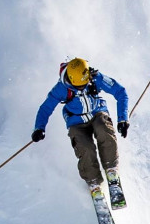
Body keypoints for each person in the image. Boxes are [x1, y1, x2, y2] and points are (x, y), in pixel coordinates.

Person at [31, 58, 129, 192]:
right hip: (76, 121)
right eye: (80, 86)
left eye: (85, 83)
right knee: (85, 148)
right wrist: (39, 128)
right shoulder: (61, 88)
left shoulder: (95, 78)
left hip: (97, 112)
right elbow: (45, 108)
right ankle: (93, 181)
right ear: (71, 81)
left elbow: (120, 92)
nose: (84, 86)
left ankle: (111, 169)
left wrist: (123, 119)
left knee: (104, 131)